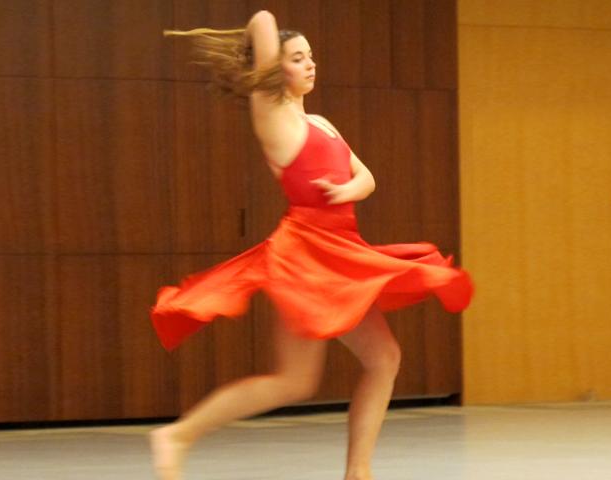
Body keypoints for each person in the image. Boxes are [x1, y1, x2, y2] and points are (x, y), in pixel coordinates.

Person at [151, 10, 473, 480]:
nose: (310, 64)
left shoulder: (321, 122)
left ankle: (358, 472)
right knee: (293, 381)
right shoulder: (272, 114)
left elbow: (366, 177)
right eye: (298, 58)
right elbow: (264, 18)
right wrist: (259, 52)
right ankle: (178, 435)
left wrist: (346, 190)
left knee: (383, 359)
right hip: (306, 256)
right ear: (274, 69)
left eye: (310, 56)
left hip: (341, 250)